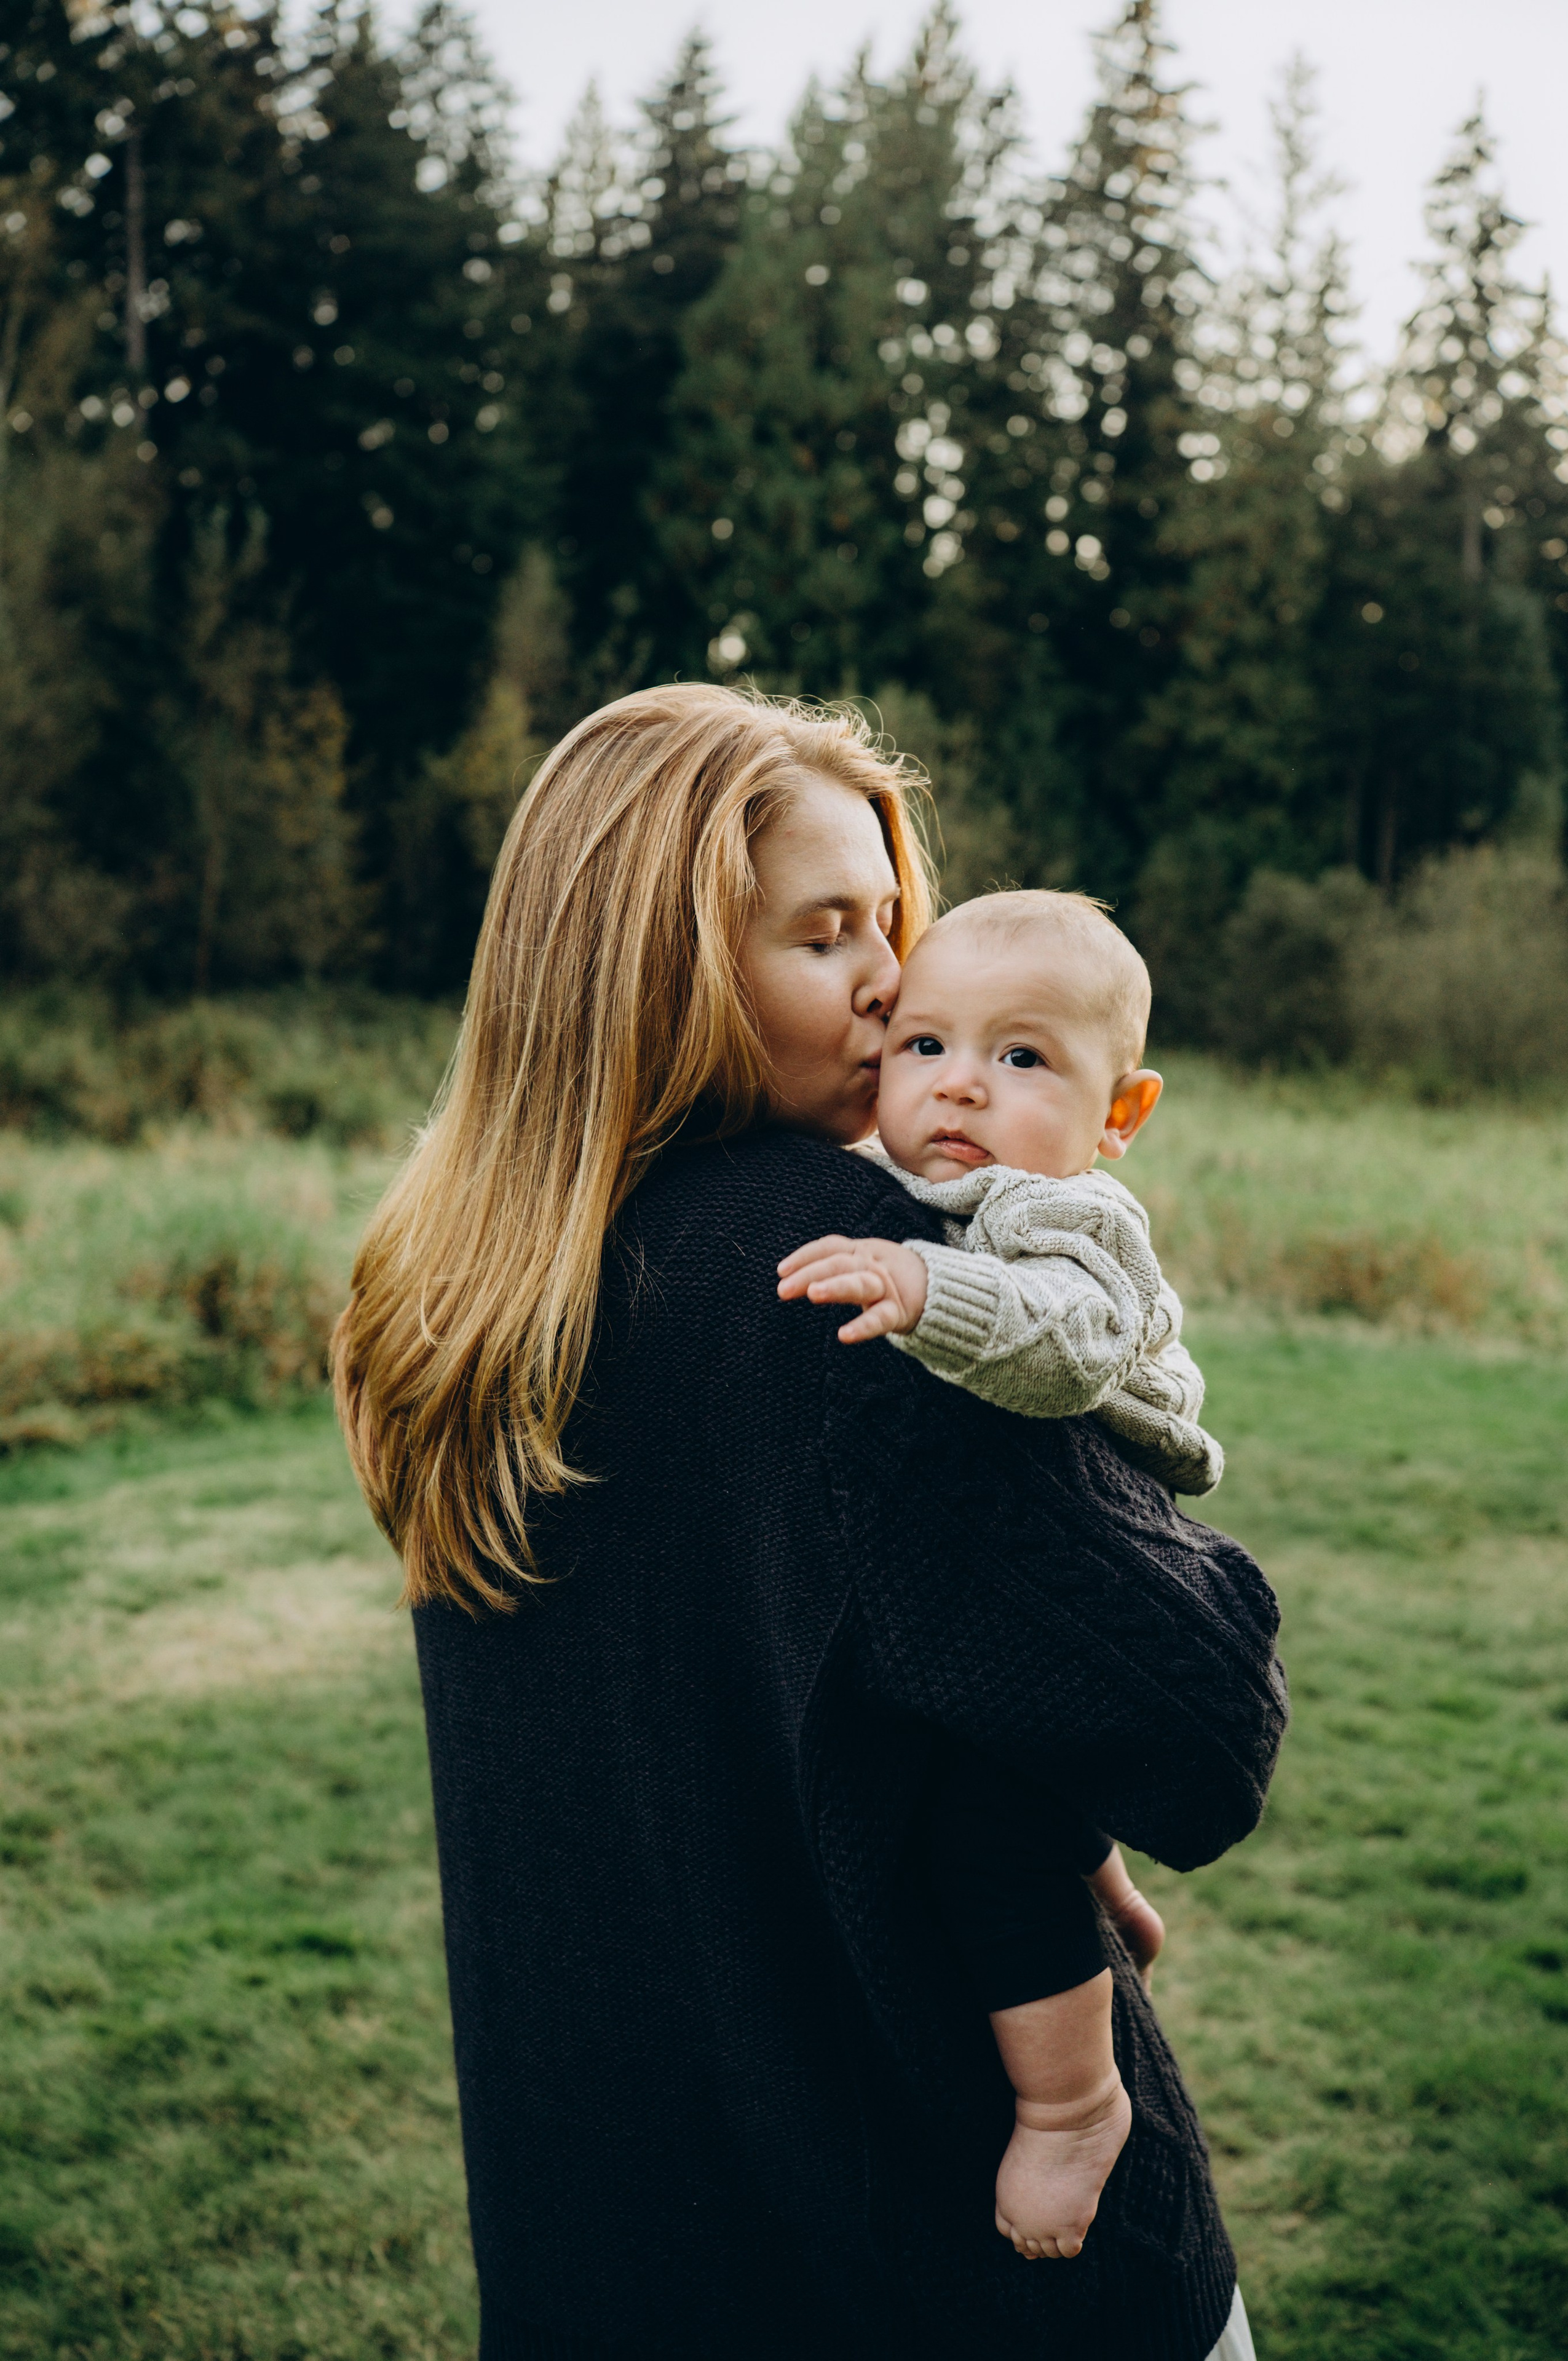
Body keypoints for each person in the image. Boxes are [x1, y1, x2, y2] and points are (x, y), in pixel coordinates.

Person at [333, 682, 1285, 2360]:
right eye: (824, 934)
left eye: (890, 925)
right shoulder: (850, 1282)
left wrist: (1041, 1794)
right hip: (949, 2247)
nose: (887, 985)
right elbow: (1203, 1720)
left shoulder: (454, 1290)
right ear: (660, 966)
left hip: (611, 2248)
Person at [777, 886, 1223, 2266]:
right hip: (1007, 1569)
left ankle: (1073, 2102)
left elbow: (1069, 1345)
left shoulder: (1066, 1213)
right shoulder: (914, 1184)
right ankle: (1096, 1874)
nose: (961, 1082)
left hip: (1096, 1511)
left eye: (1021, 1059)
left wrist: (921, 1290)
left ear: (1118, 1114)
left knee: (985, 1832)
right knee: (1006, 1795)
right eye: (924, 1047)